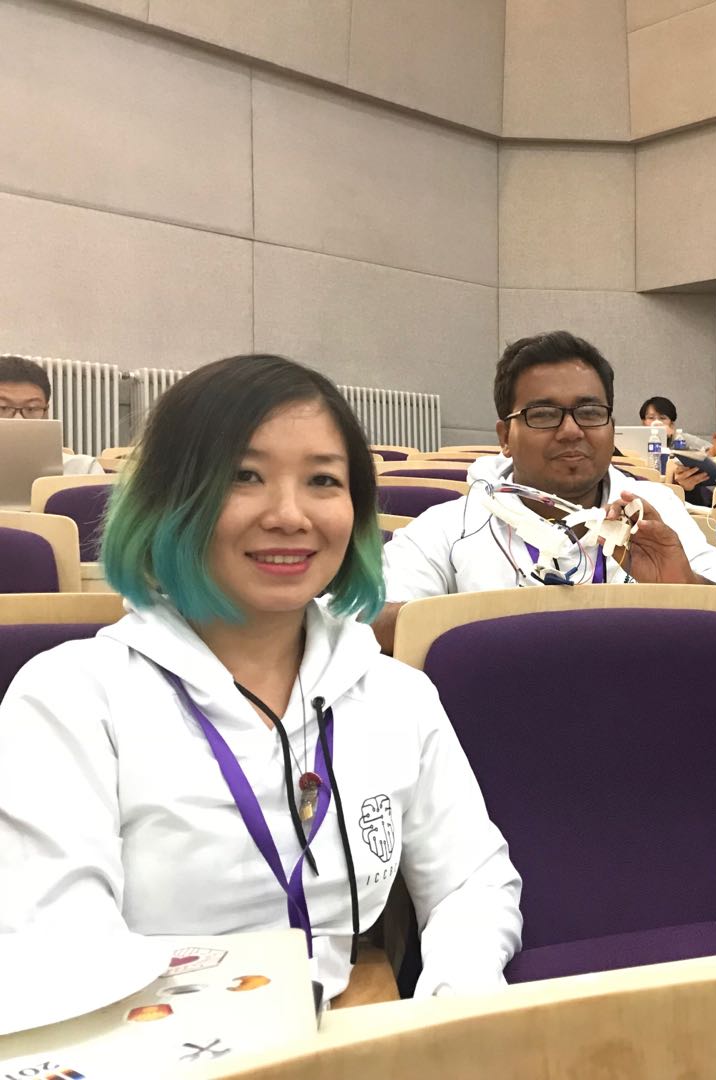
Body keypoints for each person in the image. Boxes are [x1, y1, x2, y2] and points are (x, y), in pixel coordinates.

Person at [0, 354, 522, 1002]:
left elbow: (472, 881)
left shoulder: (395, 693)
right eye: (244, 476)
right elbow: (57, 946)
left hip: (356, 1032)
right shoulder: (73, 698)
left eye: (323, 480)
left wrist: (450, 1007)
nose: (289, 515)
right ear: (169, 498)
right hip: (156, 1037)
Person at [376, 332, 716, 650]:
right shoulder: (452, 524)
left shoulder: (655, 509)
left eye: (590, 412)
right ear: (505, 437)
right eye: (543, 414)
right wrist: (499, 619)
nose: (571, 431)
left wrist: (686, 588)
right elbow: (366, 624)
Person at [0, 354, 105, 474]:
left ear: (46, 414)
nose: (19, 420)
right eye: (2, 407)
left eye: (31, 408)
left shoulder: (83, 470)